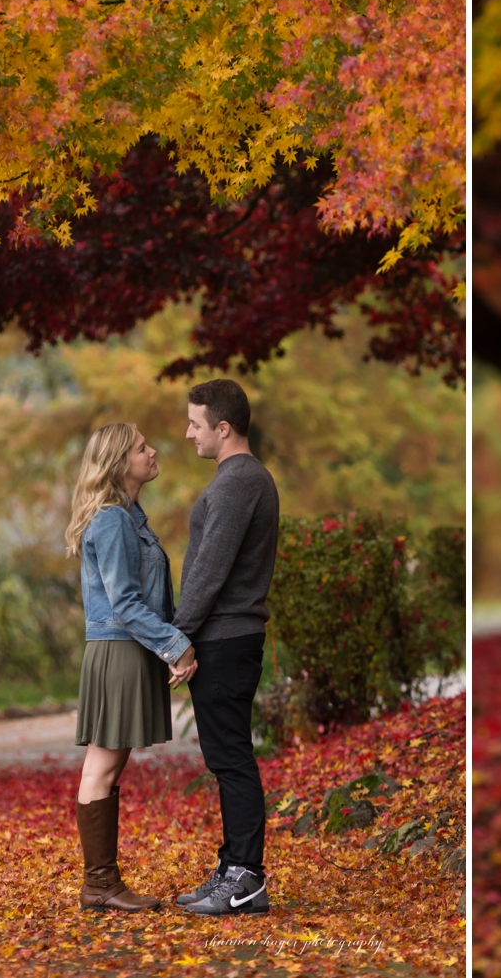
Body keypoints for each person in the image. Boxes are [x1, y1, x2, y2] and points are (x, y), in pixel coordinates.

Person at [67, 422, 197, 912]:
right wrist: (176, 645)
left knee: (109, 764)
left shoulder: (128, 516)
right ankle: (99, 884)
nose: (153, 451)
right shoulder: (113, 520)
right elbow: (124, 601)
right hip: (119, 647)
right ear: (121, 463)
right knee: (102, 764)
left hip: (126, 647)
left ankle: (102, 882)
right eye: (143, 447)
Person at [170, 379, 281, 916]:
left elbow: (209, 569)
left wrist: (178, 635)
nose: (187, 433)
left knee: (232, 759)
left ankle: (247, 880)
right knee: (225, 758)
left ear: (222, 427)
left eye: (195, 423)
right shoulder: (238, 479)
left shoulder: (239, 482)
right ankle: (233, 867)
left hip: (227, 638)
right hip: (224, 637)